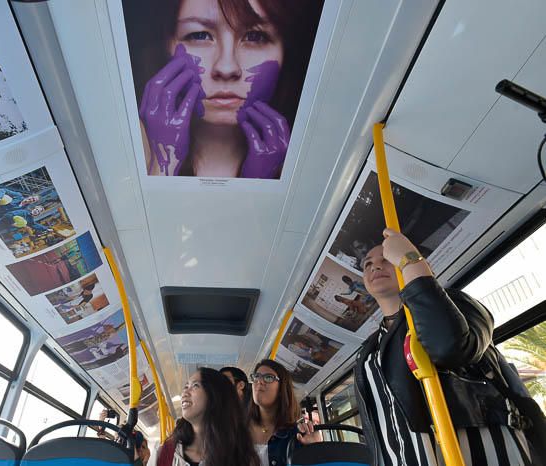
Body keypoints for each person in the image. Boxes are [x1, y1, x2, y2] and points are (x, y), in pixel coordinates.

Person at [355, 228, 545, 465]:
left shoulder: (459, 305)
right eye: (367, 264)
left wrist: (410, 262)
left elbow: (448, 346)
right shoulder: (367, 352)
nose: (375, 266)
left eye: (386, 259)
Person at [124, 0, 323, 178]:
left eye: (255, 36)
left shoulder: (311, 157)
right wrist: (163, 163)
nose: (227, 68)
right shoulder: (128, 144)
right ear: (167, 46)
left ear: (285, 52)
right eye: (200, 35)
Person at [156, 367, 258, 465]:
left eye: (195, 386)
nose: (185, 393)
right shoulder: (165, 454)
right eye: (186, 387)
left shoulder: (240, 455)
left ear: (214, 395)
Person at [248, 359, 321, 466]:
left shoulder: (297, 435)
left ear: (281, 389)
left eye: (268, 377)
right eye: (256, 376)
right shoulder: (238, 430)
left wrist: (314, 450)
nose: (259, 381)